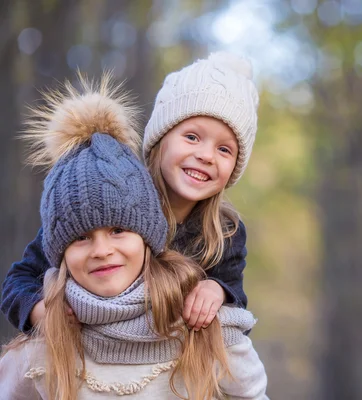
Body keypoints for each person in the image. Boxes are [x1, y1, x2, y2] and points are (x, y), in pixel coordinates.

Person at [0, 75, 268, 399]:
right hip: (88, 341)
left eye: (224, 149)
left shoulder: (225, 231)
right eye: (193, 137)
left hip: (173, 350)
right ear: (158, 141)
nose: (207, 155)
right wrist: (40, 309)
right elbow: (21, 278)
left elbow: (235, 302)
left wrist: (217, 289)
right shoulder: (115, 192)